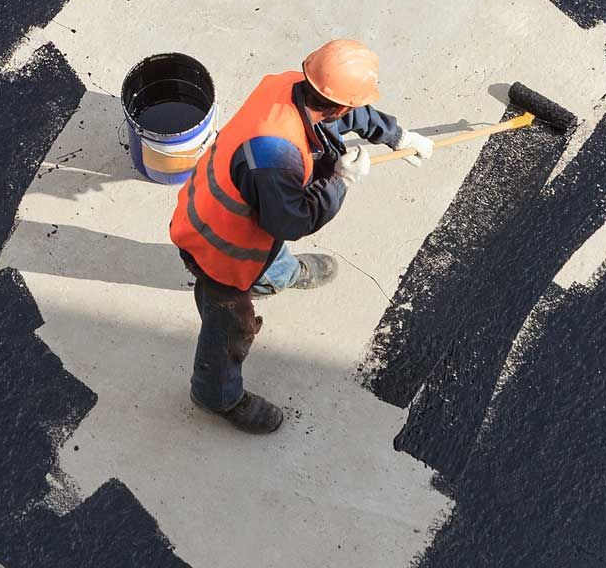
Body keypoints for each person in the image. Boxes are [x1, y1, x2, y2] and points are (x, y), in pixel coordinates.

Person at [168, 39, 432, 435]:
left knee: (272, 257)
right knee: (230, 324)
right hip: (219, 245)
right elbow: (291, 222)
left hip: (239, 212)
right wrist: (339, 181)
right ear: (338, 102)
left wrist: (396, 135)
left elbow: (347, 117)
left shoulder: (291, 85)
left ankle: (282, 273)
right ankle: (215, 395)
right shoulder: (273, 155)